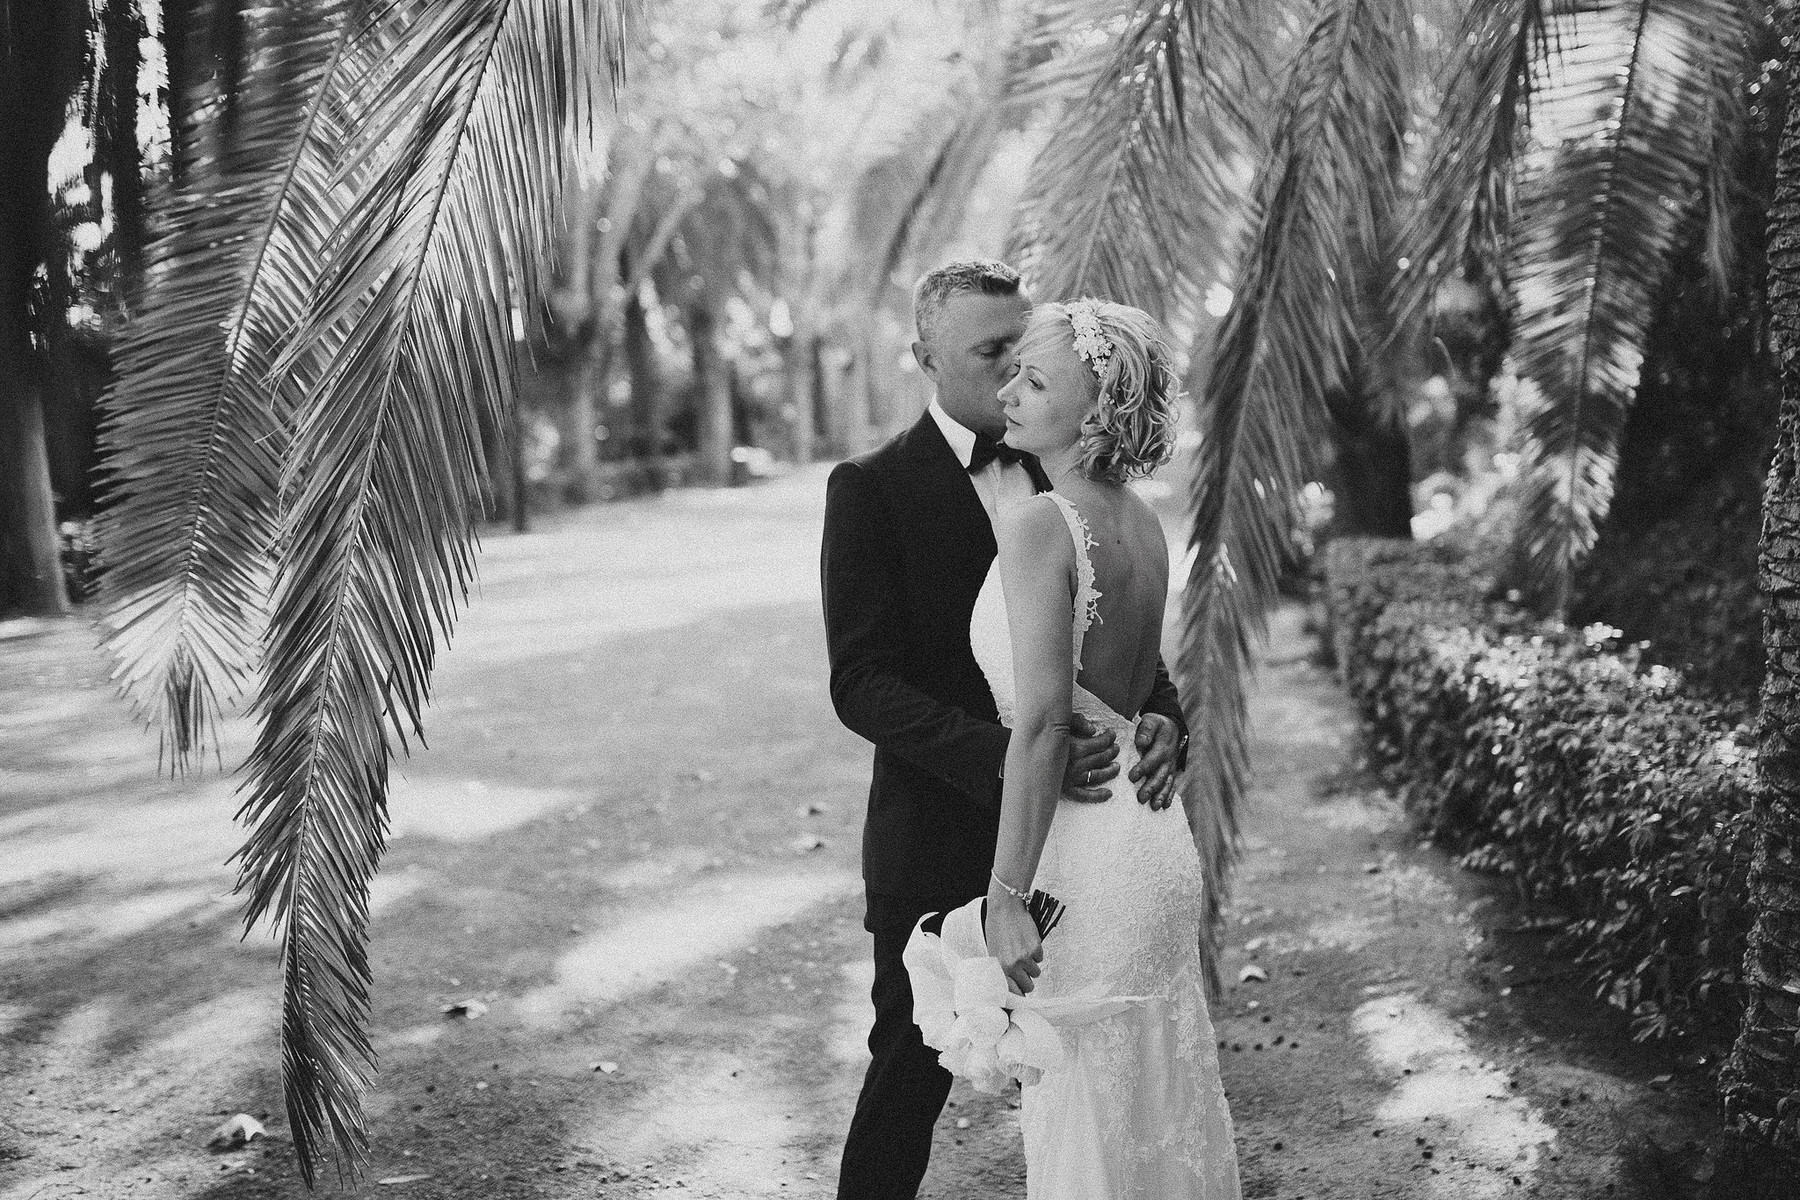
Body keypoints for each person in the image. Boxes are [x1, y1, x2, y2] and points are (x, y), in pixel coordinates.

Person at [820, 260, 1192, 1200]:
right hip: (941, 823)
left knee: (1091, 1075)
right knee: (907, 1069)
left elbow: (1124, 648)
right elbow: (859, 682)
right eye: (990, 354)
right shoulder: (869, 488)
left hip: (1085, 839)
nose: (1009, 375)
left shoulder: (1067, 473)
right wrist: (1023, 755)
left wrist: (1161, 720)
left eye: (1024, 355)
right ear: (925, 358)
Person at [971, 298, 1240, 1197]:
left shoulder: (1042, 524)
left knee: (1088, 1119)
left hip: (1086, 859)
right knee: (1158, 1106)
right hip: (1153, 842)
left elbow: (1044, 724)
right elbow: (1136, 686)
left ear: (1093, 411)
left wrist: (1006, 896)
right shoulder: (1138, 519)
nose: (1008, 390)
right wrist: (1163, 724)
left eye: (1035, 380)